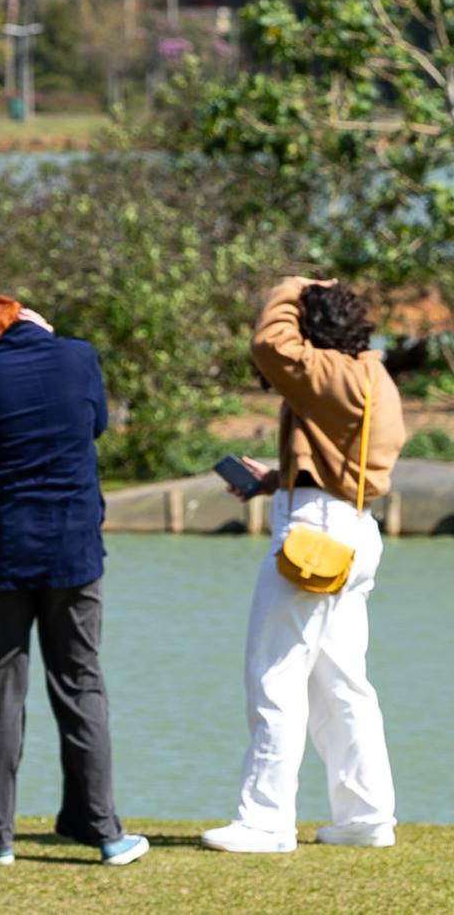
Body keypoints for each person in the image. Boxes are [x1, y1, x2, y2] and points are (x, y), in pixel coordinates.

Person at [202, 277, 406, 854]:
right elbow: (342, 458)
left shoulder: (331, 372)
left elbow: (269, 345)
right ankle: (365, 817)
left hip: (315, 533)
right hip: (351, 529)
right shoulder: (370, 374)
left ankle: (266, 821)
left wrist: (292, 285)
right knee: (341, 683)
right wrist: (278, 478)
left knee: (275, 672)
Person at [0, 296, 148, 867]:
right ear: (32, 321)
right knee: (80, 684)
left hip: (2, 550)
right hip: (73, 549)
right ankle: (103, 830)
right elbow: (96, 424)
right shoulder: (79, 356)